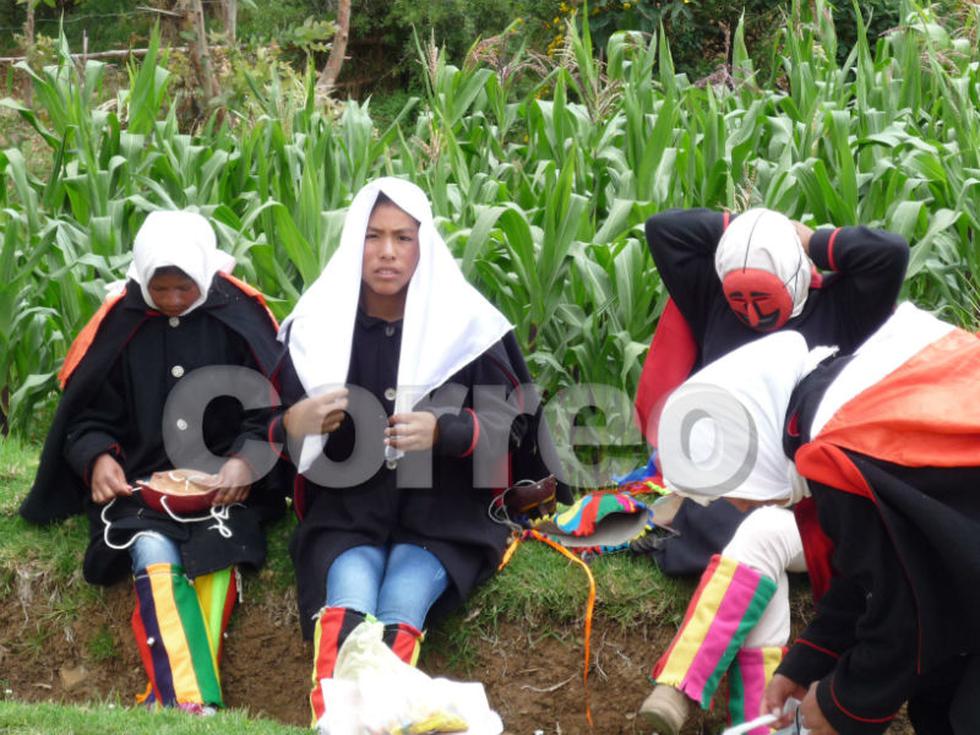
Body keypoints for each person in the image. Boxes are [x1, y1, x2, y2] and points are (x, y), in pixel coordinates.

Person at [268, 177, 567, 726]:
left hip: (442, 520)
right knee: (348, 605)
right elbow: (262, 423)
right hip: (348, 516)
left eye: (403, 238)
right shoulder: (317, 326)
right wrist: (296, 420)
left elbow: (514, 425)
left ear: (424, 245)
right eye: (374, 236)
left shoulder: (468, 327)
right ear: (353, 241)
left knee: (403, 604)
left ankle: (374, 723)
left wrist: (444, 432)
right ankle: (335, 724)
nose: (387, 253)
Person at [635, 207, 909, 731]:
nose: (752, 313)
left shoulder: (845, 307)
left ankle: (681, 687)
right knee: (761, 554)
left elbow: (889, 253)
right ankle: (762, 725)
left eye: (762, 298)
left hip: (824, 500)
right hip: (739, 495)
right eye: (740, 299)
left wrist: (810, 240)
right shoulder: (715, 304)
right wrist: (746, 228)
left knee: (759, 531)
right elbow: (664, 230)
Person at [653, 304, 980, 734]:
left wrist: (839, 706)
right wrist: (807, 663)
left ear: (747, 455)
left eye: (731, 493)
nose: (739, 508)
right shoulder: (851, 394)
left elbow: (907, 612)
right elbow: (874, 573)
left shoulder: (837, 450)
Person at [20, 210, 286, 714]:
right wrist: (96, 457)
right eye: (160, 290)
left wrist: (246, 462)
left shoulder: (240, 315)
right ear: (141, 278)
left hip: (223, 487)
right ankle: (192, 698)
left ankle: (177, 694)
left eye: (184, 289)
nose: (173, 301)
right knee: (151, 550)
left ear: (205, 275)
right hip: (140, 488)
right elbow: (87, 412)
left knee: (219, 555)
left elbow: (273, 408)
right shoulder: (121, 321)